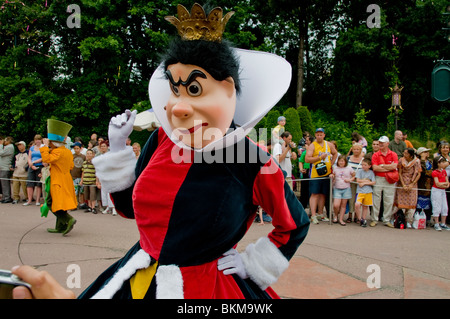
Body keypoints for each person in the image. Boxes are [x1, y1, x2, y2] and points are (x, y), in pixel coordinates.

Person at [12, 3, 309, 300]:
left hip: (208, 286)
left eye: (194, 90)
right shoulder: (161, 140)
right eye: (174, 89)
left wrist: (252, 264)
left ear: (228, 88)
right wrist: (117, 149)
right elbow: (129, 208)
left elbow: (293, 224)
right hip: (139, 273)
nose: (177, 107)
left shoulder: (250, 157)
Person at [40, 119, 78, 236]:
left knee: (51, 203)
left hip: (58, 181)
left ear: (54, 143)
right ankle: (60, 227)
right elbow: (71, 166)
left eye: (50, 142)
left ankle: (68, 219)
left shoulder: (58, 152)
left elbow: (46, 160)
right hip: (66, 179)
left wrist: (45, 147)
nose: (49, 144)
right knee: (60, 203)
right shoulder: (67, 152)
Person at [305, 127, 338, 224]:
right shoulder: (312, 146)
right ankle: (313, 215)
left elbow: (335, 153)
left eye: (321, 134)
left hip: (326, 172)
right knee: (314, 194)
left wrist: (331, 163)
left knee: (323, 194)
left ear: (324, 135)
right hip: (315, 173)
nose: (319, 136)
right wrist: (319, 158)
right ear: (315, 135)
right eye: (317, 134)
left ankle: (320, 213)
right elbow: (307, 159)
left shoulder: (329, 144)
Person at [371, 136, 399, 228]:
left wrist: (382, 166)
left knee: (389, 200)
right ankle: (374, 219)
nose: (380, 144)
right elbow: (375, 168)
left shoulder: (393, 154)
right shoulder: (375, 155)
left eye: (382, 142)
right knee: (376, 199)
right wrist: (389, 167)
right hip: (379, 178)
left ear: (387, 143)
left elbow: (394, 166)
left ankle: (386, 220)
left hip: (389, 179)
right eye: (380, 142)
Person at [393, 148, 421, 228]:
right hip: (402, 182)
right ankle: (398, 218)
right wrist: (403, 184)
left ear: (411, 155)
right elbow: (400, 172)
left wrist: (412, 184)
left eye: (406, 153)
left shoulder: (417, 161)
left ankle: (409, 220)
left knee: (411, 203)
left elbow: (418, 174)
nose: (404, 154)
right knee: (399, 202)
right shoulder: (401, 160)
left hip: (412, 182)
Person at [330, 155, 355, 226]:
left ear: (345, 162)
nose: (341, 162)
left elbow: (354, 175)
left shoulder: (349, 168)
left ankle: (341, 219)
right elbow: (333, 175)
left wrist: (350, 180)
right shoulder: (335, 168)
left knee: (343, 205)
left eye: (343, 161)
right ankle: (335, 215)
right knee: (336, 205)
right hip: (337, 188)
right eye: (340, 161)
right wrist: (332, 176)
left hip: (346, 188)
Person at [354, 158, 376, 227]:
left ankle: (363, 219)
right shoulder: (360, 171)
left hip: (368, 191)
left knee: (365, 206)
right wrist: (367, 181)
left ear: (369, 166)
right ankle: (359, 218)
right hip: (360, 191)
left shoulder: (371, 172)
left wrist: (364, 183)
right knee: (357, 205)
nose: (363, 166)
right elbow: (358, 180)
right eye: (362, 165)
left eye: (365, 165)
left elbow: (373, 182)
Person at [346, 143, 365, 223]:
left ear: (360, 150)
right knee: (351, 198)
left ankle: (357, 216)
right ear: (352, 150)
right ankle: (350, 215)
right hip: (350, 181)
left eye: (358, 149)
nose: (356, 151)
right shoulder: (348, 158)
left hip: (359, 181)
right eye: (354, 149)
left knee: (358, 198)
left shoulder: (363, 159)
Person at [24, 135, 44, 206]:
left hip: (39, 166)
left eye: (39, 139)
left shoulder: (43, 147)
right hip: (31, 166)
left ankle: (37, 200)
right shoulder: (32, 148)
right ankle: (29, 200)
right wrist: (31, 164)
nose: (37, 141)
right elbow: (29, 157)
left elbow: (43, 157)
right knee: (30, 183)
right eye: (36, 140)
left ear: (41, 140)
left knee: (38, 184)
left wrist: (34, 162)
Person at [430, 156, 450, 231]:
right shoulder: (435, 172)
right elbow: (437, 183)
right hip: (436, 191)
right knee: (437, 206)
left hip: (442, 191)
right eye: (442, 162)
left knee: (444, 207)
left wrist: (445, 184)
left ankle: (443, 223)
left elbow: (447, 182)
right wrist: (445, 183)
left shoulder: (444, 171)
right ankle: (436, 223)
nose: (444, 163)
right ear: (438, 163)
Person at [416, 147, 433, 222]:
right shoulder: (418, 161)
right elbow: (423, 171)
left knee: (428, 202)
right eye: (425, 152)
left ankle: (427, 219)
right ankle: (418, 218)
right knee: (419, 201)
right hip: (421, 183)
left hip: (429, 184)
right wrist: (422, 160)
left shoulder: (430, 161)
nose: (427, 153)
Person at [80, 149, 98, 214]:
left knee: (92, 195)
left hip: (92, 181)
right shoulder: (84, 163)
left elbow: (97, 172)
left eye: (90, 153)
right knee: (87, 195)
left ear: (93, 155)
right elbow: (83, 172)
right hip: (85, 181)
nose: (89, 155)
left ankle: (93, 207)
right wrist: (81, 181)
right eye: (87, 153)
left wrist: (97, 181)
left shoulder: (94, 162)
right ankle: (89, 207)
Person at [298, 135, 314, 208]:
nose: (305, 142)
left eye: (307, 140)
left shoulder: (315, 150)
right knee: (304, 190)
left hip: (313, 171)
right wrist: (301, 169)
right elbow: (301, 161)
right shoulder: (304, 152)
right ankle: (303, 206)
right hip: (306, 171)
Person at [70, 142, 86, 209]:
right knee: (74, 192)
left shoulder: (83, 157)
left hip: (81, 176)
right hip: (73, 176)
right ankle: (74, 204)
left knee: (81, 191)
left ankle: (82, 203)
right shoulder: (72, 156)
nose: (76, 150)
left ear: (80, 148)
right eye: (75, 149)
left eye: (77, 148)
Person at [0, 136, 15, 203]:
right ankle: (4, 197)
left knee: (5, 184)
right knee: (2, 184)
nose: (4, 142)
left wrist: (0, 144)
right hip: (2, 167)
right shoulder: (6, 147)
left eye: (5, 141)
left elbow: (1, 153)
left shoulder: (10, 147)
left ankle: (7, 197)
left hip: (5, 168)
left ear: (9, 141)